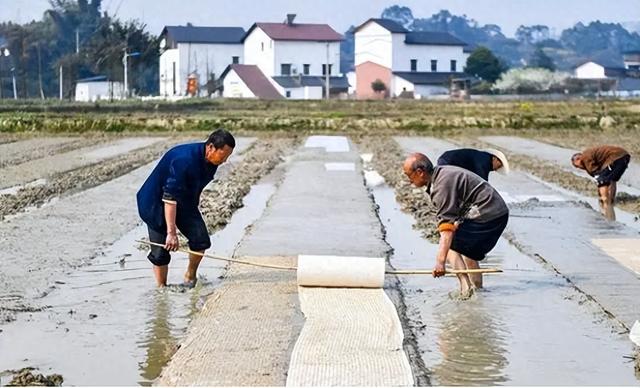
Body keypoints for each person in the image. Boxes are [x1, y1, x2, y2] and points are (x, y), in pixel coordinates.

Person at [137, 129, 235, 287]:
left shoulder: (212, 161)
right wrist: (171, 233)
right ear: (210, 147)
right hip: (154, 203)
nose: (224, 161)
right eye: (223, 156)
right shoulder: (184, 160)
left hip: (183, 202)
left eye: (227, 157)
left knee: (200, 240)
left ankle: (190, 276)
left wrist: (191, 210)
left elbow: (195, 186)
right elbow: (169, 198)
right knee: (161, 252)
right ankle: (162, 289)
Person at [403, 153, 509, 296]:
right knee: (467, 251)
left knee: (451, 244)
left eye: (409, 175)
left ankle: (465, 288)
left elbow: (446, 228)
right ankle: (478, 291)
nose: (409, 180)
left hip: (489, 214)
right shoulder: (441, 176)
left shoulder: (441, 185)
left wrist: (440, 262)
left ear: (420, 172)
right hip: (492, 211)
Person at [571, 145, 631, 220]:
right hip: (624, 156)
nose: (580, 168)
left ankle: (605, 201)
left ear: (578, 159)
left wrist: (600, 194)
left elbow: (596, 174)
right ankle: (611, 201)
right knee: (612, 179)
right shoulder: (591, 156)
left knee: (602, 179)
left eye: (577, 166)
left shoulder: (585, 157)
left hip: (615, 157)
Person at [437, 148, 509, 181]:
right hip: (448, 161)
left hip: (446, 159)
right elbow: (482, 180)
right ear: (495, 159)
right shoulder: (484, 160)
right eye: (498, 166)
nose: (496, 169)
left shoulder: (483, 158)